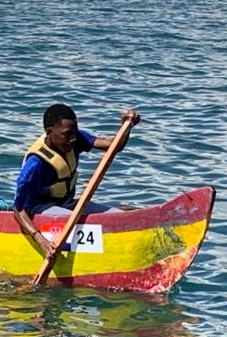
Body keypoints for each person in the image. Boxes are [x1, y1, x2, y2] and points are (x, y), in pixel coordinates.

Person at [13, 104, 141, 257]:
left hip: (67, 204)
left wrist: (127, 126)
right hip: (38, 210)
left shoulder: (74, 139)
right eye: (67, 134)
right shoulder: (35, 165)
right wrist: (41, 241)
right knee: (90, 222)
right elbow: (18, 209)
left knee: (117, 215)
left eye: (74, 132)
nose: (73, 139)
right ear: (49, 132)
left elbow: (114, 146)